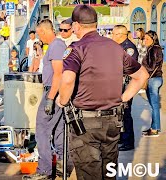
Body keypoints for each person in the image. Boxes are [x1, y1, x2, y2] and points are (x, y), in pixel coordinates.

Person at [58, 5, 149, 179]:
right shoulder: (115, 47)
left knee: (89, 173)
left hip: (85, 123)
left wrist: (62, 101)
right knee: (109, 172)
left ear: (77, 25)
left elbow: (68, 79)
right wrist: (123, 98)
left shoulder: (77, 48)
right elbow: (142, 75)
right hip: (112, 122)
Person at [22, 19, 67, 180]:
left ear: (44, 31)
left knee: (41, 130)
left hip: (52, 92)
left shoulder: (56, 45)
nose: (39, 37)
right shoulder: (55, 46)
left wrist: (50, 98)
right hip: (55, 93)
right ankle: (63, 166)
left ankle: (45, 169)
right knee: (58, 131)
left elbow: (59, 73)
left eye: (39, 33)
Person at [112, 25, 139, 151]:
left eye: (115, 34)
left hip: (127, 84)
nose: (113, 36)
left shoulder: (129, 48)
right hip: (119, 83)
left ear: (122, 35)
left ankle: (129, 141)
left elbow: (129, 67)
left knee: (126, 112)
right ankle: (122, 138)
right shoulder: (118, 47)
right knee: (120, 113)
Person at [141, 31, 164, 137]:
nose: (144, 41)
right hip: (154, 79)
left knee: (154, 106)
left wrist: (141, 69)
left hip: (153, 79)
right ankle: (154, 127)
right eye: (144, 39)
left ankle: (155, 129)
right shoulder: (152, 48)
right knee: (153, 105)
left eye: (147, 39)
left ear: (153, 39)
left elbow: (152, 66)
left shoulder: (154, 49)